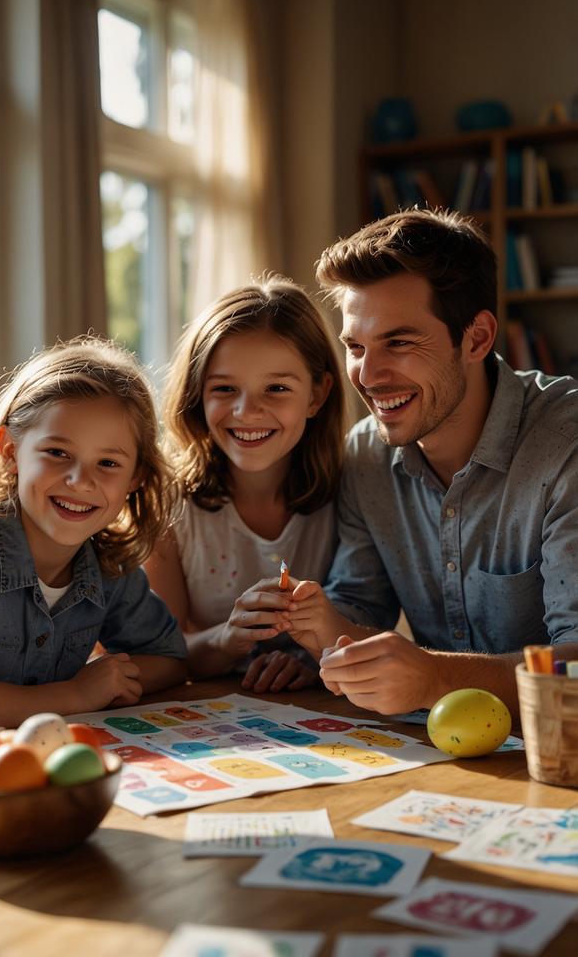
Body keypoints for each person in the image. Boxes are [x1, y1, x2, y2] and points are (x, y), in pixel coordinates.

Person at [247, 208, 578, 716]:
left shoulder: (566, 443)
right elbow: (360, 608)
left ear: (477, 338)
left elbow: (575, 667)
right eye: (356, 346)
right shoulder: (365, 455)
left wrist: (436, 678)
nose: (370, 375)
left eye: (398, 343)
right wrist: (313, 633)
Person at [0, 336, 188, 760]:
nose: (80, 480)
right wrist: (77, 693)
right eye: (57, 452)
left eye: (108, 463)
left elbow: (169, 658)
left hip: (34, 773)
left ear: (136, 478)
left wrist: (107, 680)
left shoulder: (107, 561)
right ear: (11, 451)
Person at [145, 275, 346, 692]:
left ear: (317, 394)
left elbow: (365, 626)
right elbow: (158, 653)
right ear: (197, 394)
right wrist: (228, 638)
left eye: (276, 388)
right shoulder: (167, 503)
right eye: (224, 388)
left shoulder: (350, 493)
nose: (246, 410)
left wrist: (311, 662)